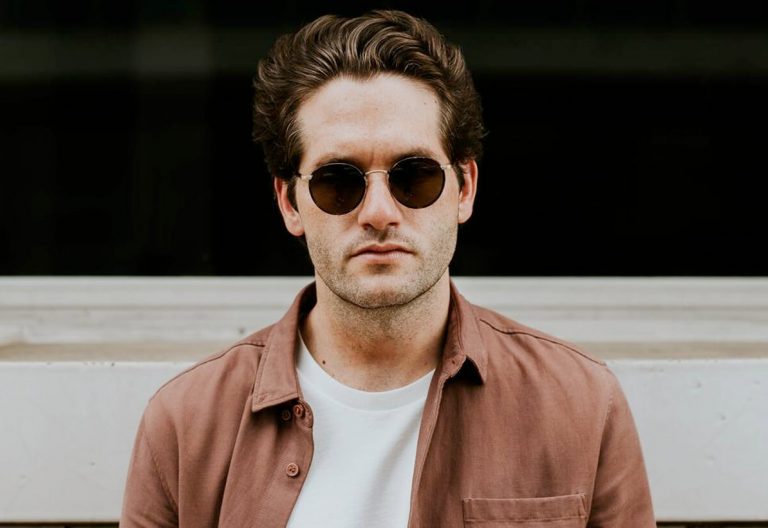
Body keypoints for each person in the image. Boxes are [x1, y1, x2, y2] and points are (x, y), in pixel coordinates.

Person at [120, 9, 655, 527]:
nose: (378, 212)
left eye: (414, 176)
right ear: (289, 203)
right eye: (339, 182)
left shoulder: (580, 404)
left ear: (464, 188)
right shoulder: (186, 423)